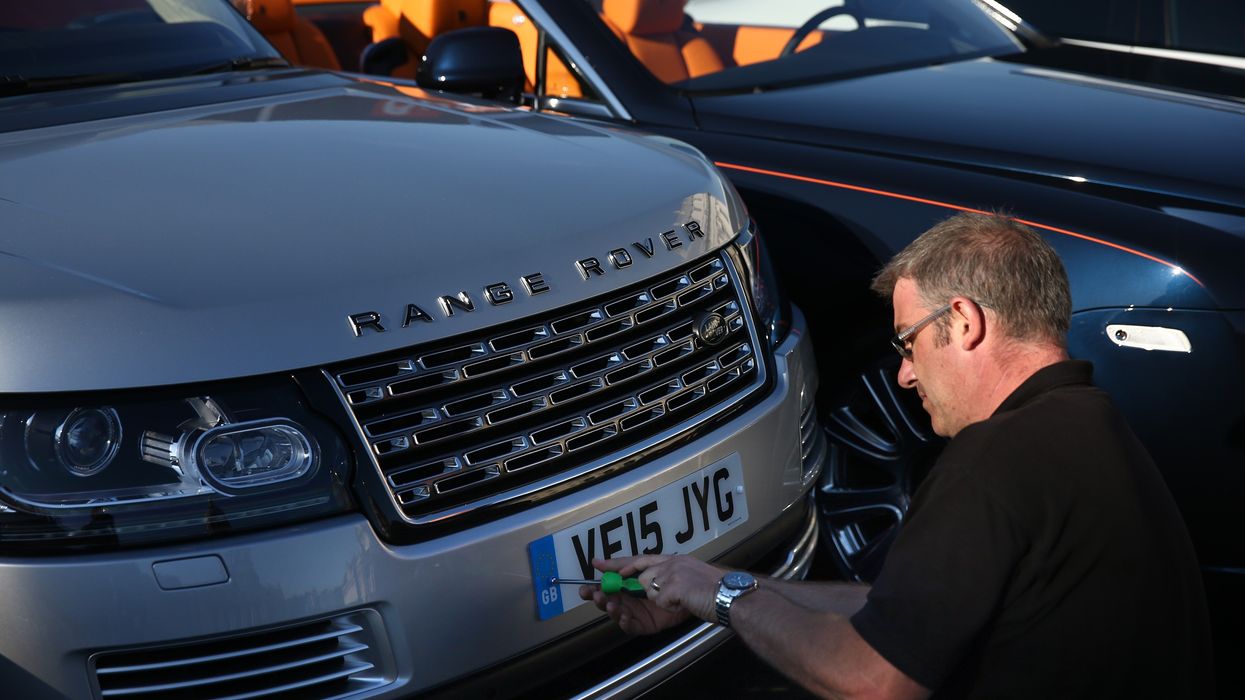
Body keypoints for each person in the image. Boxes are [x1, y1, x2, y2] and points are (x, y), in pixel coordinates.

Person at [583, 212, 1214, 698]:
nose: (904, 374)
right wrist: (709, 589)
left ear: (963, 322)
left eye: (908, 343)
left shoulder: (993, 459)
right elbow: (907, 611)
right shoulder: (1089, 429)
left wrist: (721, 595)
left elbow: (875, 680)